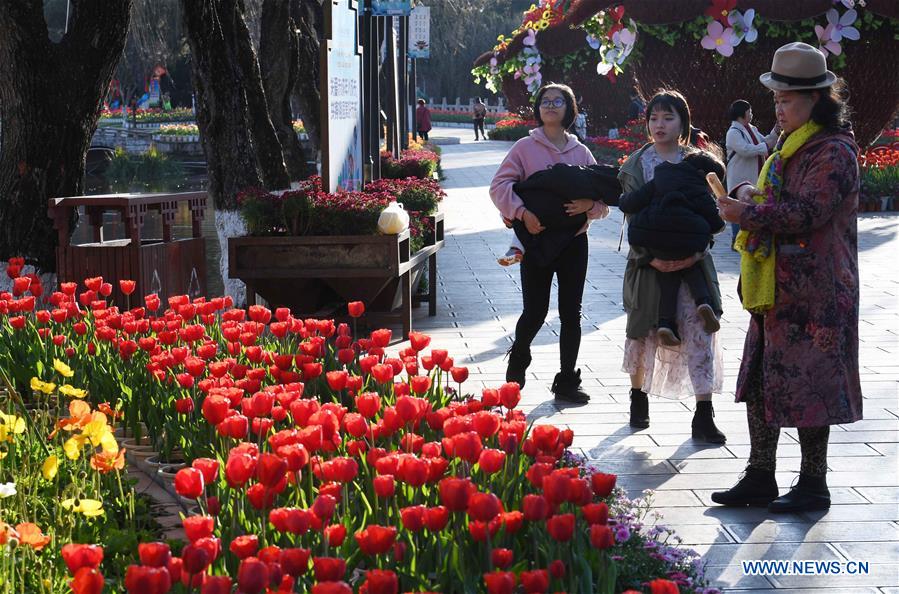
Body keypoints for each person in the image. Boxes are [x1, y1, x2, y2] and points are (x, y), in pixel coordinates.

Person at [712, 42, 862, 512]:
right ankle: (760, 474)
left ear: (816, 99)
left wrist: (746, 214)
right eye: (775, 99)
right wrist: (746, 197)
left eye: (787, 99)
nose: (778, 108)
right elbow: (779, 200)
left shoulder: (833, 150)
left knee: (810, 384)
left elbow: (808, 212)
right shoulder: (787, 144)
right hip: (776, 286)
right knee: (763, 379)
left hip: (817, 291)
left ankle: (814, 484)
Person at [617, 89, 727, 444]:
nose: (659, 125)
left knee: (700, 333)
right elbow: (632, 216)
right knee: (644, 334)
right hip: (649, 265)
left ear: (683, 122)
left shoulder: (699, 162)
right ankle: (638, 400)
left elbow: (713, 213)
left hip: (693, 263)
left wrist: (696, 252)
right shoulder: (636, 165)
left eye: (668, 117)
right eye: (654, 118)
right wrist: (653, 258)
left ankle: (704, 414)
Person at [490, 82, 610, 403]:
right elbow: (500, 186)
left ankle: (567, 381)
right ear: (538, 108)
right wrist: (521, 213)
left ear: (569, 109)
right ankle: (519, 356)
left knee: (571, 313)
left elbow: (604, 198)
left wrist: (589, 208)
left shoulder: (580, 151)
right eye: (545, 100)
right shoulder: (523, 148)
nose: (551, 105)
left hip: (573, 243)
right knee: (535, 311)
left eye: (558, 101)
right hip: (537, 242)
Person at [619, 150, 726, 346]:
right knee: (693, 267)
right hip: (686, 241)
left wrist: (622, 199)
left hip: (655, 239)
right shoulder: (698, 187)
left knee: (667, 278)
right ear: (705, 176)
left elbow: (633, 201)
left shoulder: (661, 176)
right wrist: (721, 221)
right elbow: (715, 222)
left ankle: (665, 324)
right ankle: (704, 302)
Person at [725, 99, 779, 246]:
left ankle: (749, 239)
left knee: (750, 203)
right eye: (749, 111)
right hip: (739, 175)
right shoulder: (733, 132)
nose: (751, 114)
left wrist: (776, 131)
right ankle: (736, 239)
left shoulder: (751, 129)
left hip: (753, 174)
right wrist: (765, 146)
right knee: (739, 203)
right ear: (742, 114)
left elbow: (767, 141)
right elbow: (746, 150)